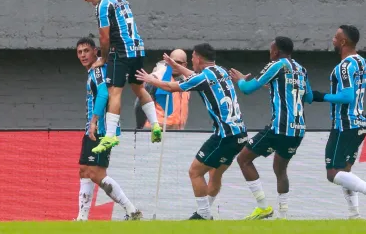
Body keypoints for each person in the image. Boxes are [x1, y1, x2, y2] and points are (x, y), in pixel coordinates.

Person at [136, 43, 248, 220]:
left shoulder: (202, 77)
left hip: (224, 135)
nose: (192, 61)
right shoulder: (221, 71)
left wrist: (151, 80)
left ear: (198, 58)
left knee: (195, 172)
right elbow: (195, 76)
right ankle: (205, 212)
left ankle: (203, 214)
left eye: (193, 57)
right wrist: (176, 66)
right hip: (240, 133)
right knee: (215, 173)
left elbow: (171, 87)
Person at [230, 37, 313, 220]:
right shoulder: (301, 69)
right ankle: (283, 216)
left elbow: (247, 89)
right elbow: (308, 97)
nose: (270, 52)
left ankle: (263, 207)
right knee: (280, 168)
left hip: (279, 128)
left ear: (276, 51)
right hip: (298, 129)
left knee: (243, 159)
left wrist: (241, 80)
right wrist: (277, 86)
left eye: (271, 49)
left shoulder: (276, 65)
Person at [80, 0, 162, 153]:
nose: (87, 0)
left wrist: (104, 58)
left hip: (121, 51)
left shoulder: (102, 4)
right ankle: (155, 125)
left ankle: (109, 136)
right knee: (139, 88)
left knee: (114, 92)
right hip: (137, 48)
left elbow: (104, 36)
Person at [75, 37, 142, 221]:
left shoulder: (97, 71)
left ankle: (131, 209)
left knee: (97, 174)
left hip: (100, 129)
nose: (83, 55)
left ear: (96, 51)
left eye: (86, 51)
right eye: (80, 52)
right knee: (84, 169)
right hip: (91, 128)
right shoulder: (92, 72)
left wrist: (95, 121)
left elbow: (104, 93)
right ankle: (82, 217)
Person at [311, 25, 366, 219]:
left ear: (343, 42)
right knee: (345, 171)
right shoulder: (362, 62)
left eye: (335, 37)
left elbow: (347, 96)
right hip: (359, 122)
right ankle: (354, 215)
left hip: (345, 123)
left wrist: (319, 96)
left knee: (333, 172)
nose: (333, 40)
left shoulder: (344, 66)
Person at [134, 49, 191, 130]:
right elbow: (140, 104)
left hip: (177, 132)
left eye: (178, 62)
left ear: (185, 65)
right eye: (171, 61)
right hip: (155, 130)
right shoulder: (156, 78)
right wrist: (140, 128)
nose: (174, 64)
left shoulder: (187, 82)